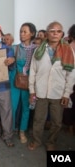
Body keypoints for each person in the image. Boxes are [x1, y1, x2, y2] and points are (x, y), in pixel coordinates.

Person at [28, 21, 75, 151]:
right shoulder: (39, 50)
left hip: (58, 93)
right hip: (40, 92)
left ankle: (51, 142)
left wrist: (67, 94)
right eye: (52, 31)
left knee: (56, 122)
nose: (55, 34)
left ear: (62, 34)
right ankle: (36, 141)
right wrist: (32, 90)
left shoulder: (68, 51)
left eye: (58, 31)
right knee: (38, 120)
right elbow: (33, 71)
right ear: (47, 34)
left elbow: (71, 75)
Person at [9, 22, 37, 144]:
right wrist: (9, 62)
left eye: (25, 31)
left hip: (29, 83)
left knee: (26, 108)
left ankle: (22, 131)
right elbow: (8, 66)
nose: (22, 34)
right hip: (14, 80)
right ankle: (12, 129)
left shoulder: (37, 49)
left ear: (32, 34)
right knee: (13, 106)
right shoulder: (14, 48)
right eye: (21, 31)